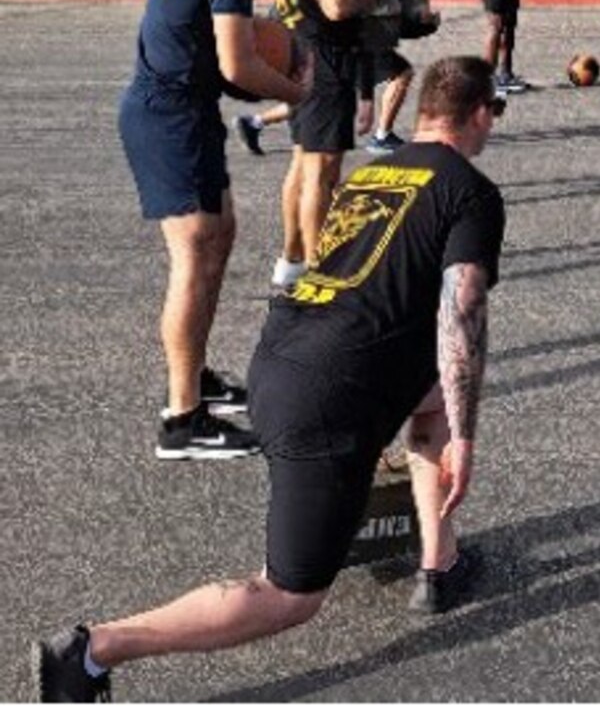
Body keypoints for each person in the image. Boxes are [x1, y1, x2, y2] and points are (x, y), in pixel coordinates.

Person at [35, 57, 508, 702]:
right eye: (494, 113)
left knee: (431, 405)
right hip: (327, 394)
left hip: (283, 356)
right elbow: (462, 313)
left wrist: (445, 415)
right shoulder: (470, 191)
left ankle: (439, 563)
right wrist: (470, 439)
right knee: (287, 595)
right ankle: (92, 651)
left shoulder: (377, 174)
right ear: (480, 112)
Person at [117, 0, 307, 460]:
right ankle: (182, 421)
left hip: (182, 111)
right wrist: (300, 95)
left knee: (220, 233)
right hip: (169, 116)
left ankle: (193, 376)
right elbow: (238, 64)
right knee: (194, 257)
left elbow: (212, 46)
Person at [270, 0, 395, 293]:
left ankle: (291, 260)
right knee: (322, 172)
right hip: (325, 63)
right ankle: (321, 270)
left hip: (300, 59)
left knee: (302, 165)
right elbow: (337, 6)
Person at [344, 0, 439, 154]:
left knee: (311, 87)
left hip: (340, 34)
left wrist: (421, 15)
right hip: (343, 36)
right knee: (401, 72)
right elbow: (378, 25)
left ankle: (256, 122)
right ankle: (381, 136)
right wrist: (421, 22)